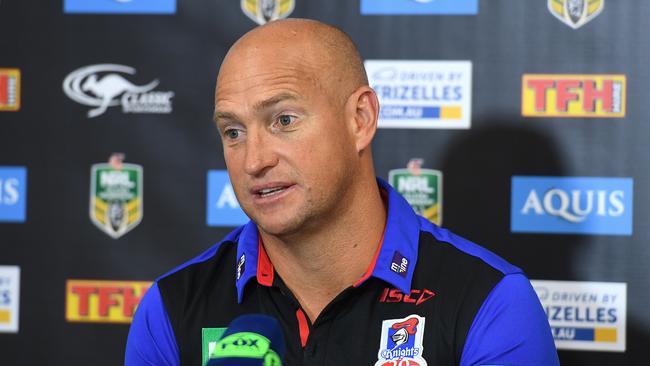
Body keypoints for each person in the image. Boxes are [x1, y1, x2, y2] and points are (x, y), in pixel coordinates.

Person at [125, 18, 559, 366]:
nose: (254, 161)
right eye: (233, 131)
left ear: (361, 119)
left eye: (284, 120)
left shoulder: (489, 303)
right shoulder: (170, 308)